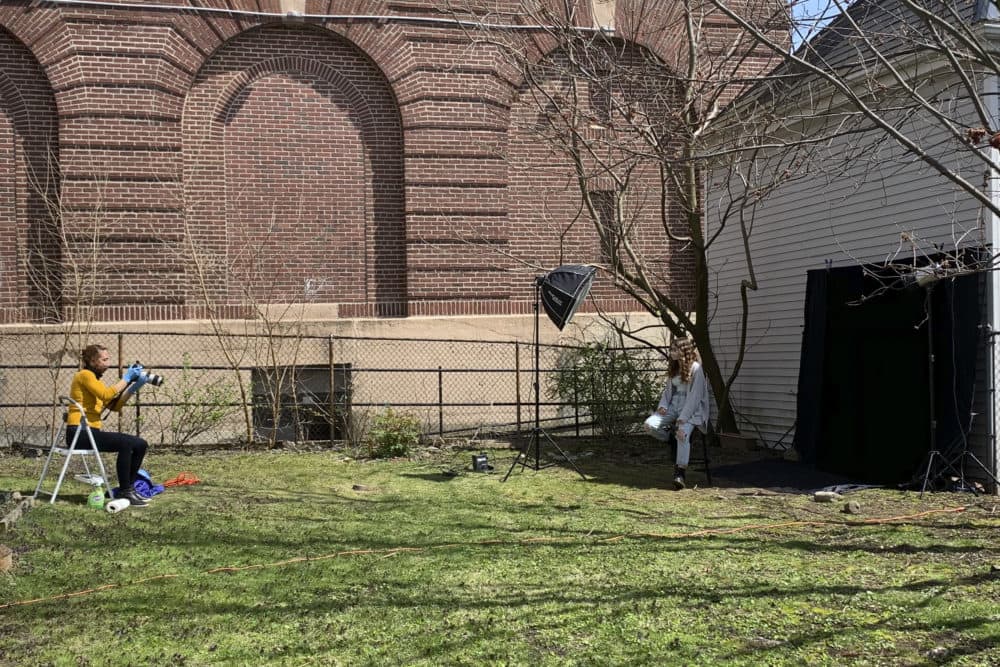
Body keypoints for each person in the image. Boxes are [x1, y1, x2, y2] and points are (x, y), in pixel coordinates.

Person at [67, 344, 152, 507]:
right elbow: (106, 394)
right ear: (92, 361)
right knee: (126, 443)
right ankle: (126, 492)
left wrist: (134, 386)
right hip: (79, 433)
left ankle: (127, 488)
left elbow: (114, 406)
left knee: (141, 444)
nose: (108, 363)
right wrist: (126, 378)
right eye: (104, 360)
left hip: (91, 432)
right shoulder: (85, 375)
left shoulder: (94, 381)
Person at [644, 337, 710, 490]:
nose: (671, 352)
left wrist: (683, 419)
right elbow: (668, 392)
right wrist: (663, 405)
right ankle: (670, 437)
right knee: (649, 425)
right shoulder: (674, 368)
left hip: (691, 410)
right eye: (671, 349)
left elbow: (695, 397)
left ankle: (680, 473)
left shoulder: (696, 368)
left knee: (682, 434)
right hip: (673, 406)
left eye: (674, 349)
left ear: (683, 350)